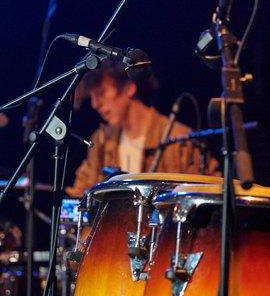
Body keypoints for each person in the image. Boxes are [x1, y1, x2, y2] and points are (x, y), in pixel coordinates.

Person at [66, 60, 217, 197]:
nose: (95, 104)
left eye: (101, 94)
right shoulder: (101, 139)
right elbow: (81, 195)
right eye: (92, 97)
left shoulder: (180, 138)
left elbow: (209, 194)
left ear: (129, 87)